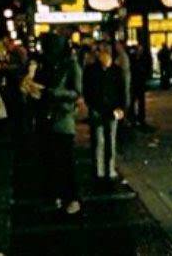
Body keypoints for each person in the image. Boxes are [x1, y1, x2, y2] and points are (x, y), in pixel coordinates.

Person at [34, 33, 82, 215]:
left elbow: (77, 92)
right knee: (50, 160)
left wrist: (54, 93)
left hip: (63, 118)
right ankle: (55, 196)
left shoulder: (70, 65)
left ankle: (72, 197)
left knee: (65, 161)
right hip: (46, 118)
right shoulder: (45, 65)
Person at [83, 43, 125, 187]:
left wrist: (121, 107)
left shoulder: (112, 70)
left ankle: (106, 169)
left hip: (108, 109)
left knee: (106, 140)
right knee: (101, 141)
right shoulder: (95, 71)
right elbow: (87, 91)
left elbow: (121, 91)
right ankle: (102, 169)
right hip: (100, 109)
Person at [129, 43, 152, 127]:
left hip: (139, 82)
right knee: (134, 101)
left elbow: (148, 66)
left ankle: (140, 118)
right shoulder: (134, 57)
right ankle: (134, 118)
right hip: (136, 82)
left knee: (139, 101)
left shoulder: (142, 57)